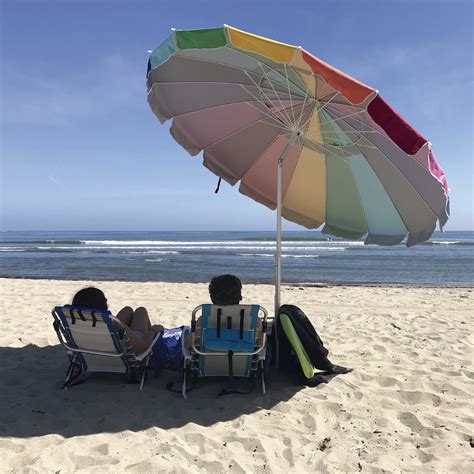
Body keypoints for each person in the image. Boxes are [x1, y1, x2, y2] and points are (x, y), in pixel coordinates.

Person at [71, 287, 163, 353]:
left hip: (91, 349)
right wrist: (153, 330)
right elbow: (142, 347)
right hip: (124, 350)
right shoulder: (110, 324)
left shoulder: (73, 323)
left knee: (128, 309)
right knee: (141, 310)